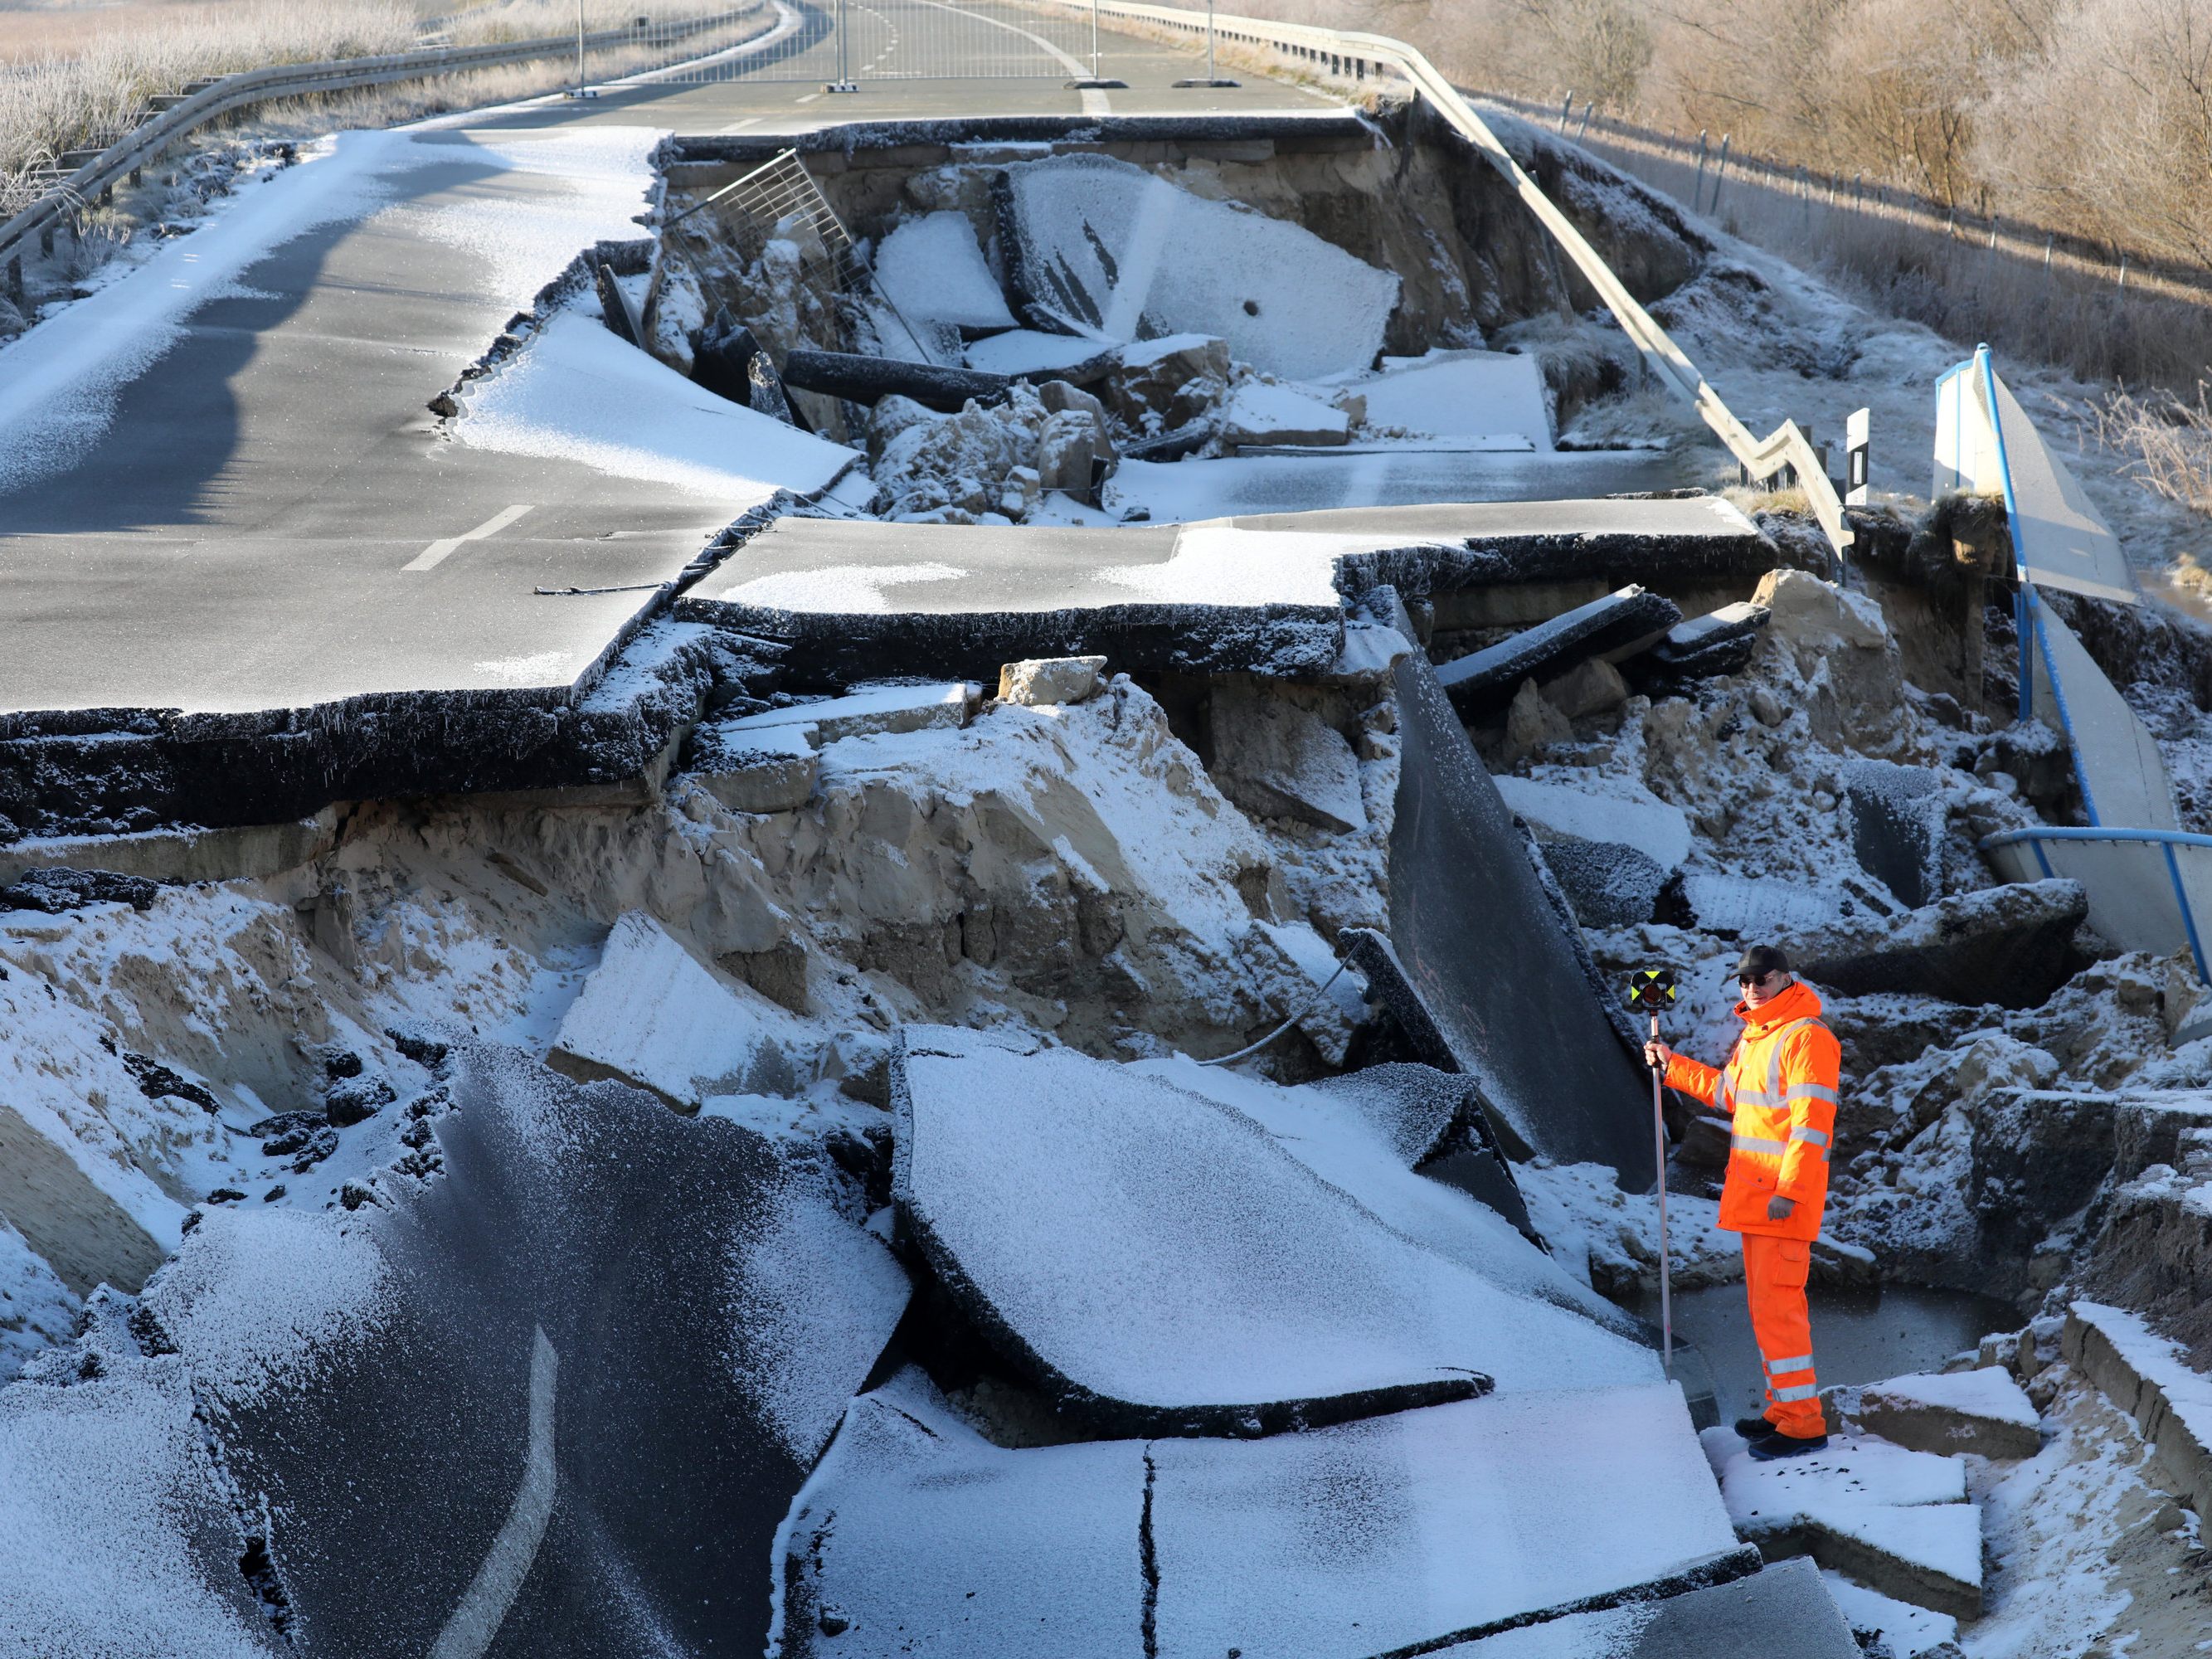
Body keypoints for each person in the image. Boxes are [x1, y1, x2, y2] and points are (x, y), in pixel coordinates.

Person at [1644, 943, 1841, 1462]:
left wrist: (1789, 1192)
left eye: (1763, 979)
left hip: (1781, 1201)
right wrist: (1671, 1066)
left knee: (1781, 1313)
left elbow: (1812, 1127)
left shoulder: (1806, 1037)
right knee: (1767, 1312)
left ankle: (1804, 1424)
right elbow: (1728, 1094)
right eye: (1745, 981)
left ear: (1784, 979)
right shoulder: (1759, 1037)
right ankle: (1783, 1410)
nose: (1752, 988)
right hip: (1760, 1201)